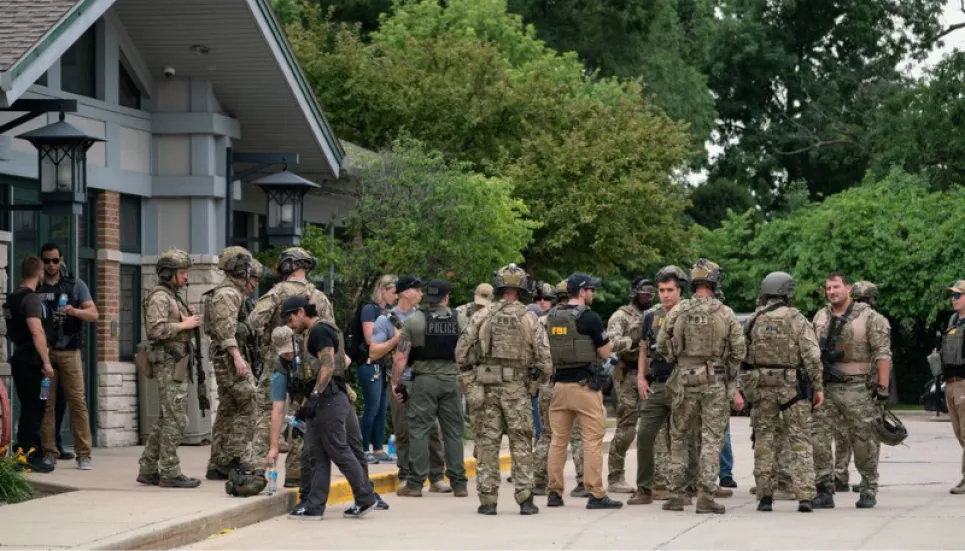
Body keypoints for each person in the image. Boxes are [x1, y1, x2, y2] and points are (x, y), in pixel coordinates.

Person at [456, 264, 552, 515]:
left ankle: (488, 501)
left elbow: (461, 354)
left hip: (486, 389)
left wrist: (471, 385)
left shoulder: (481, 316)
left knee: (487, 444)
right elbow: (546, 362)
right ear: (521, 289)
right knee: (521, 443)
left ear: (499, 286)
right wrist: (531, 386)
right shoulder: (530, 318)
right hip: (516, 390)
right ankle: (525, 499)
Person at [658, 259, 745, 515]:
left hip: (684, 380)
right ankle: (705, 495)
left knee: (680, 437)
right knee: (711, 440)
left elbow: (662, 345)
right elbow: (739, 350)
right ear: (715, 281)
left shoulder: (678, 311)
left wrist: (678, 358)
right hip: (714, 382)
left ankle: (676, 495)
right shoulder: (725, 313)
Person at [281, 296, 378, 520]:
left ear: (302, 311)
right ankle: (315, 506)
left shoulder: (319, 331)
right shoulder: (313, 332)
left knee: (338, 450)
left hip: (329, 399)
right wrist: (304, 407)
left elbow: (329, 363)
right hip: (324, 399)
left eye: (290, 317)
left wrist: (315, 396)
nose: (289, 323)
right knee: (317, 453)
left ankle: (365, 497)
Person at [247, 247, 334, 488]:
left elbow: (254, 320)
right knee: (300, 416)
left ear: (287, 266)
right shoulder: (320, 297)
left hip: (275, 362)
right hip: (306, 367)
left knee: (267, 413)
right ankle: (296, 473)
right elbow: (331, 333)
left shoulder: (277, 292)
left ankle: (256, 470)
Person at [741, 271, 825, 513]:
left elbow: (741, 355)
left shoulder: (753, 320)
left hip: (762, 388)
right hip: (792, 389)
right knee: (800, 440)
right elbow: (812, 356)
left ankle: (765, 496)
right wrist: (818, 387)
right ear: (787, 291)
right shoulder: (796, 318)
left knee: (764, 441)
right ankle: (805, 496)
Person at [811, 272, 891, 509]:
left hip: (857, 386)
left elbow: (882, 353)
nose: (832, 292)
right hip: (825, 387)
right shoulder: (820, 316)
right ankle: (824, 487)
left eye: (836, 287)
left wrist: (883, 388)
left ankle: (868, 487)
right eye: (828, 288)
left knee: (863, 439)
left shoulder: (870, 317)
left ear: (848, 289)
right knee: (819, 438)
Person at [544, 273, 623, 510]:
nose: (593, 293)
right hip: (585, 387)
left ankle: (554, 493)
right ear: (582, 291)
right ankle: (596, 494)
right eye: (591, 289)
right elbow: (605, 352)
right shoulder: (590, 318)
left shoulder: (552, 316)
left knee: (558, 441)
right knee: (592, 441)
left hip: (559, 386)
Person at [393, 279, 469, 497]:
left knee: (419, 430)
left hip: (424, 381)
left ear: (428, 297)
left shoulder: (414, 321)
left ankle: (415, 484)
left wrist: (395, 382)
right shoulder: (461, 320)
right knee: (453, 432)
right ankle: (459, 483)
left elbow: (401, 358)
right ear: (446, 297)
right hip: (451, 380)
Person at [630, 265, 697, 505]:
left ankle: (688, 488)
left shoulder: (690, 313)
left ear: (680, 290)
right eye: (661, 290)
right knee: (645, 434)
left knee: (686, 437)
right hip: (657, 384)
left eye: (670, 290)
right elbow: (644, 348)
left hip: (684, 383)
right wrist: (640, 377)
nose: (665, 295)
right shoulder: (651, 316)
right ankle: (644, 488)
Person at [136, 248, 202, 488]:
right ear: (169, 273)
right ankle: (170, 472)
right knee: (177, 419)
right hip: (168, 362)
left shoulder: (172, 296)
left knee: (167, 418)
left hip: (177, 361)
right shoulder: (160, 297)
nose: (185, 277)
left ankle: (148, 467)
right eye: (182, 272)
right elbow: (155, 330)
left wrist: (186, 318)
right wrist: (183, 325)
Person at [380, 275, 448, 490]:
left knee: (433, 430)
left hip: (425, 379)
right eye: (417, 290)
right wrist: (397, 339)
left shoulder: (426, 316)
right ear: (406, 292)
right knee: (403, 429)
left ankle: (436, 476)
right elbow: (374, 351)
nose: (421, 294)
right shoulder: (386, 320)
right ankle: (406, 474)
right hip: (399, 380)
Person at [35, 243, 98, 470]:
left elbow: (93, 313)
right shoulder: (37, 286)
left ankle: (84, 455)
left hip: (70, 351)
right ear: (41, 261)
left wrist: (74, 311)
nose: (51, 265)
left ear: (61, 260)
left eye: (55, 260)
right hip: (45, 353)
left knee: (78, 402)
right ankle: (49, 452)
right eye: (47, 261)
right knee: (46, 403)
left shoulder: (74, 285)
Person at [202, 247, 259, 482]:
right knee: (249, 400)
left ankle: (219, 462)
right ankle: (238, 456)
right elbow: (226, 331)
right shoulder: (227, 294)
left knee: (227, 408)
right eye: (247, 268)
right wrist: (237, 357)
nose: (250, 274)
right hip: (229, 357)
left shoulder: (234, 293)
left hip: (228, 356)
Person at [5, 257, 55, 473]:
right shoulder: (31, 299)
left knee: (28, 407)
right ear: (39, 273)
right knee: (36, 407)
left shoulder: (11, 298)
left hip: (19, 358)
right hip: (33, 361)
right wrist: (46, 361)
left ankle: (22, 451)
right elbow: (36, 330)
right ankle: (31, 454)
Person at [605, 277, 654, 493]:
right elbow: (612, 343)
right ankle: (616, 476)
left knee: (657, 428)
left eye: (650, 293)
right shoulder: (621, 316)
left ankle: (660, 478)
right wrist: (635, 341)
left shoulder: (656, 314)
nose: (648, 297)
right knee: (626, 429)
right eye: (644, 293)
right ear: (634, 293)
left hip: (652, 375)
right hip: (627, 375)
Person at [356, 275, 397, 463]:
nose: (395, 297)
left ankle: (378, 448)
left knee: (381, 407)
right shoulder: (369, 310)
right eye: (393, 292)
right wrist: (393, 340)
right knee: (372, 407)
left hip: (381, 364)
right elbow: (370, 339)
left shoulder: (389, 312)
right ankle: (363, 448)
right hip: (369, 363)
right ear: (383, 290)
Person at [940, 280, 965, 495]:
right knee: (959, 433)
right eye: (953, 295)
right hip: (950, 382)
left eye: (958, 295)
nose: (954, 299)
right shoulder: (953, 320)